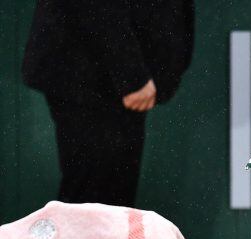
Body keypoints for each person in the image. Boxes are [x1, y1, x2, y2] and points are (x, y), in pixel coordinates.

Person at [21, 0, 195, 207]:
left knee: (110, 203)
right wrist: (131, 76)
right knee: (95, 203)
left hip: (111, 78)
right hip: (93, 75)